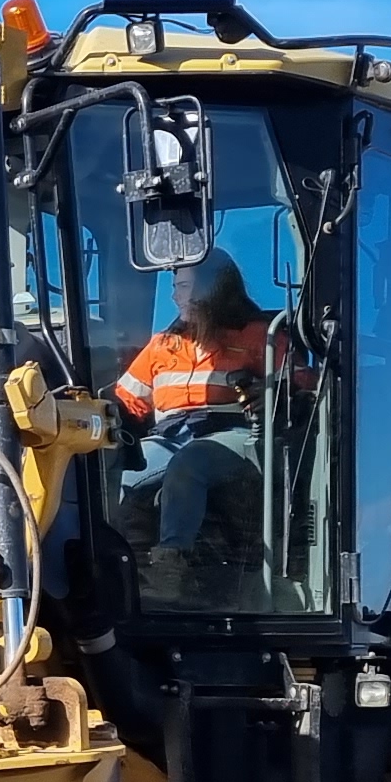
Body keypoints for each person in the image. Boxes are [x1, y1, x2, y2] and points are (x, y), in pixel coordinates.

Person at [109, 251, 292, 597]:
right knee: (117, 471)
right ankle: (125, 571)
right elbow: (125, 402)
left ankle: (170, 570)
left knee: (190, 464)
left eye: (184, 286)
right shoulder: (163, 346)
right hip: (169, 437)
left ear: (214, 289)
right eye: (176, 286)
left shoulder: (257, 337)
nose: (176, 296)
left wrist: (272, 396)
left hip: (236, 435)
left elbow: (305, 387)